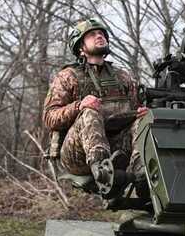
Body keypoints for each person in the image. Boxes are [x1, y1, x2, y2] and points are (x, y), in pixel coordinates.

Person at [43, 18, 148, 197]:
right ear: (81, 47)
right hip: (77, 154)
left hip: (117, 148)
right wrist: (79, 106)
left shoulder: (122, 77)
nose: (99, 36)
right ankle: (102, 172)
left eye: (101, 34)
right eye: (92, 35)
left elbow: (135, 111)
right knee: (89, 110)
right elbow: (49, 118)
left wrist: (140, 113)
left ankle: (141, 176)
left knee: (143, 119)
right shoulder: (68, 76)